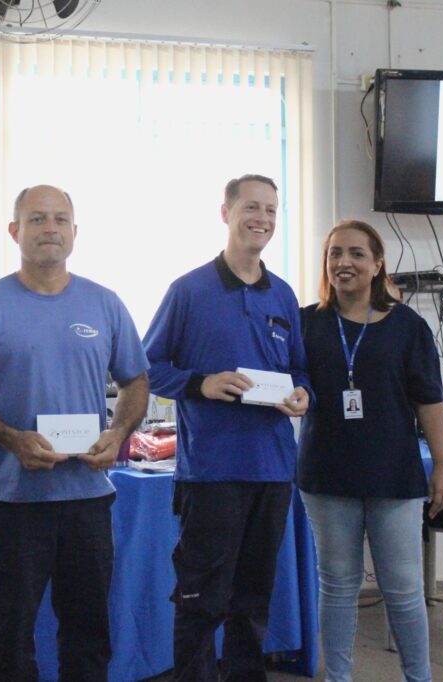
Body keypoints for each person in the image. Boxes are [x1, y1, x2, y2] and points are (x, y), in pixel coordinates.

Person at [0, 184, 149, 680]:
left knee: (89, 633)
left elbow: (136, 381)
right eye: (36, 219)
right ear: (14, 232)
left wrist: (117, 434)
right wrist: (12, 439)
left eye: (59, 219)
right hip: (15, 503)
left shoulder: (106, 303)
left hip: (88, 499)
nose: (49, 228)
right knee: (8, 638)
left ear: (75, 232)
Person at [141, 174, 311, 681]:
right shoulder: (189, 290)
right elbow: (145, 368)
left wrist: (304, 395)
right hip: (212, 473)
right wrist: (200, 383)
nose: (262, 219)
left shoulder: (282, 295)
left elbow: (299, 370)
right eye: (251, 207)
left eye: (272, 211)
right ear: (226, 212)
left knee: (253, 598)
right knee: (200, 599)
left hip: (274, 472)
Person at [297, 219, 443, 682]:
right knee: (338, 586)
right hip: (326, 477)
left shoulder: (409, 327)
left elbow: (430, 401)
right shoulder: (308, 322)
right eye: (335, 254)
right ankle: (338, 678)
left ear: (377, 262)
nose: (344, 263)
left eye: (356, 254)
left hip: (394, 478)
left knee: (403, 589)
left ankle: (418, 677)